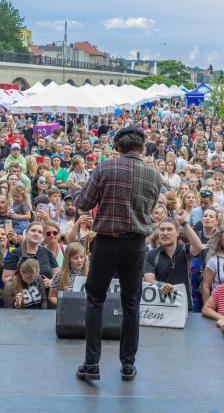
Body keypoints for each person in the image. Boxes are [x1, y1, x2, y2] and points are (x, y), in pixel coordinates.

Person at [68, 126, 162, 382]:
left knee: (95, 299)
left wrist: (75, 189)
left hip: (107, 243)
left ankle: (91, 364)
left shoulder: (105, 167)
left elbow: (83, 204)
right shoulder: (155, 174)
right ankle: (128, 365)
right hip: (136, 246)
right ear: (142, 148)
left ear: (118, 147)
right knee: (131, 303)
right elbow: (150, 209)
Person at [143, 215, 203, 305]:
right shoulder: (151, 254)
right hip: (160, 305)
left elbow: (198, 247)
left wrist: (184, 223)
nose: (165, 233)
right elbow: (148, 278)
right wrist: (160, 284)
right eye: (162, 229)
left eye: (169, 229)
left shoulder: (185, 249)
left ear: (177, 233)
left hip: (183, 304)